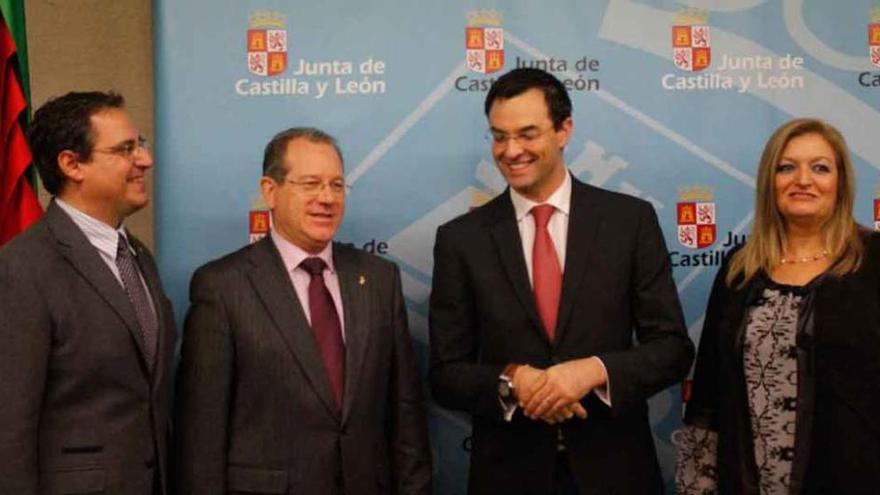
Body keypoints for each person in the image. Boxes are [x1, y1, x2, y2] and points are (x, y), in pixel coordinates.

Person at [429, 67, 694, 494]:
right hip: (508, 477)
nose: (511, 150)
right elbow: (445, 374)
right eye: (499, 136)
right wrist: (514, 380)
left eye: (527, 134)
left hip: (617, 473)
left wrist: (593, 371)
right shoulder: (462, 240)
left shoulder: (629, 222)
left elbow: (672, 350)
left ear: (564, 129)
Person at [175, 127, 432, 494]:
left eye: (337, 185)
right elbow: (202, 431)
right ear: (270, 191)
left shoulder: (378, 279)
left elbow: (405, 412)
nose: (326, 198)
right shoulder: (223, 286)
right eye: (310, 184)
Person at [678, 118, 880, 494]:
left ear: (841, 182)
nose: (803, 179)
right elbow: (708, 392)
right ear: (770, 182)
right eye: (787, 167)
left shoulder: (873, 262)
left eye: (820, 167)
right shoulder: (741, 268)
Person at [0, 91, 176, 494]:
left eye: (141, 145)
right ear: (72, 164)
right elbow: (9, 427)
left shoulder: (138, 257)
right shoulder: (23, 269)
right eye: (125, 149)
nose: (145, 160)